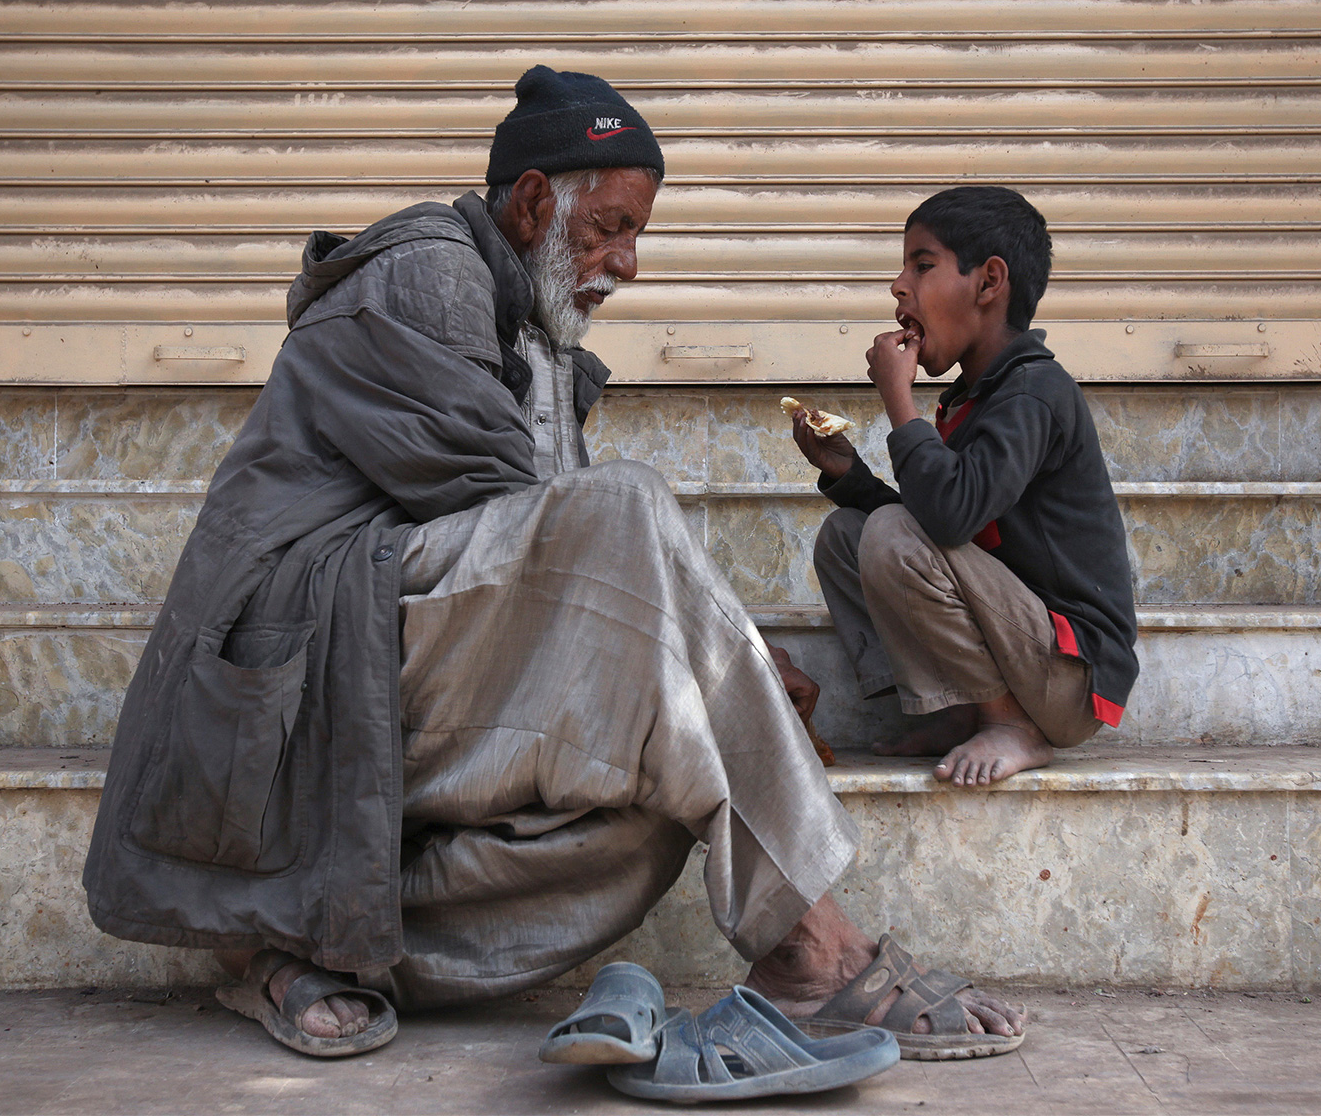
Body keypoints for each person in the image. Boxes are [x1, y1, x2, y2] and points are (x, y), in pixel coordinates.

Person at [82, 68, 1025, 1060]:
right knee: (626, 514)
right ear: (533, 202)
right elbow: (531, 526)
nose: (627, 264)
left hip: (403, 670)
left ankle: (315, 947)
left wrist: (724, 663)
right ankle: (814, 947)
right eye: (609, 229)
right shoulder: (425, 272)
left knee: (655, 806)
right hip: (301, 665)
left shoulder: (532, 334)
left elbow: (557, 558)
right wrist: (723, 654)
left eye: (636, 237)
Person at [793, 186, 1139, 787]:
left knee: (891, 532)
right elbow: (938, 530)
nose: (898, 286)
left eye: (922, 265)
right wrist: (850, 476)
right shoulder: (975, 397)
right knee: (848, 534)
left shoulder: (1034, 392)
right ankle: (954, 711)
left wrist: (899, 401)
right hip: (1021, 645)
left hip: (1069, 673)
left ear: (988, 282)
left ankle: (1012, 724)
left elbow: (946, 519)